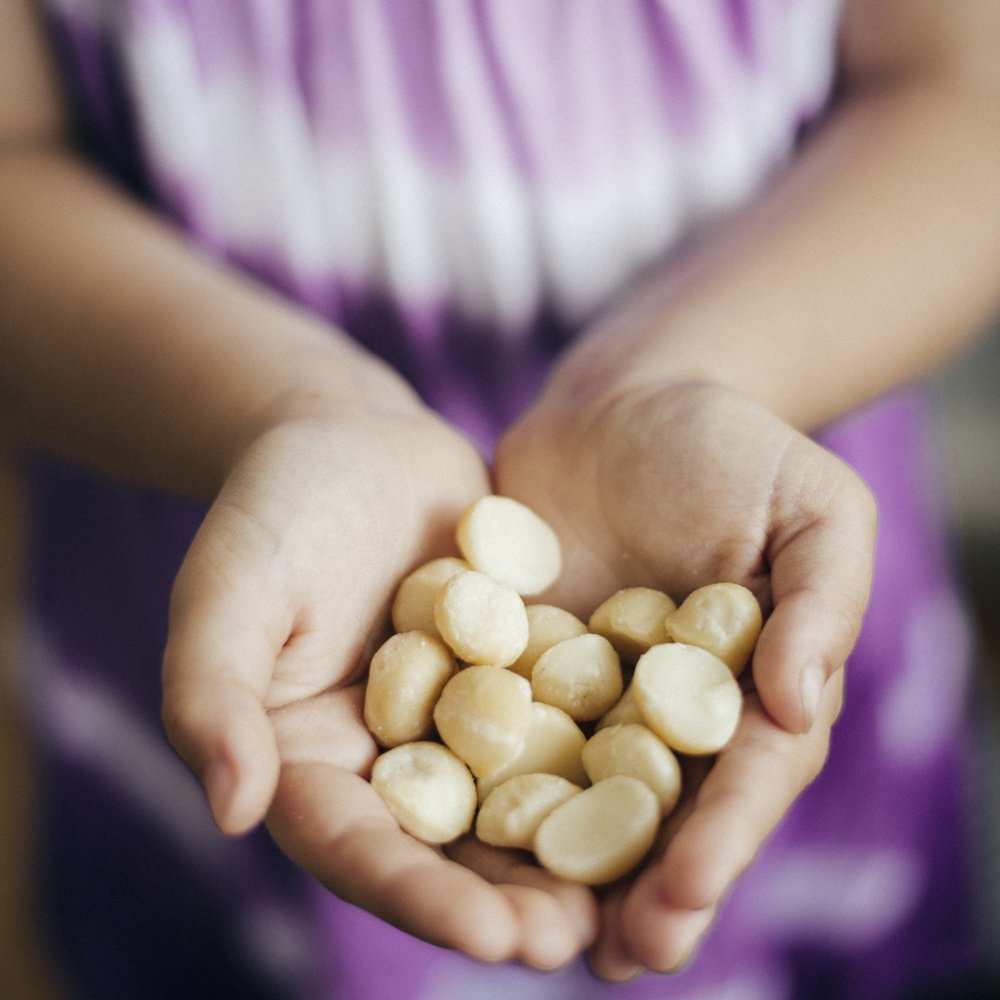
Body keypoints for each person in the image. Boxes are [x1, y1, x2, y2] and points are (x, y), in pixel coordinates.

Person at [1, 0, 998, 997]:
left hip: (756, 412)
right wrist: (287, 407)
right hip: (208, 490)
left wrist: (685, 373)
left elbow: (964, 94)